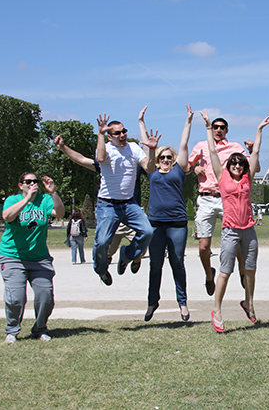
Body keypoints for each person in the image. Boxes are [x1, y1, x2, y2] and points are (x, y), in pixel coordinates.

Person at [205, 110, 269, 332]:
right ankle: (218, 310)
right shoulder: (221, 176)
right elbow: (213, 152)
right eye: (233, 162)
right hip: (230, 231)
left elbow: (255, 155)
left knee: (250, 270)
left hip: (249, 230)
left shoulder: (247, 178)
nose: (236, 164)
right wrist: (208, 128)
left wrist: (259, 130)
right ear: (228, 165)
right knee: (225, 271)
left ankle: (249, 302)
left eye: (239, 162)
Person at [188, 117, 256, 295]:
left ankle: (242, 269)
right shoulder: (201, 145)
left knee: (238, 237)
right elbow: (186, 165)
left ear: (227, 130)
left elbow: (250, 167)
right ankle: (209, 274)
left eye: (222, 127)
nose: (218, 130)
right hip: (206, 197)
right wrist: (194, 167)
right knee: (203, 245)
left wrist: (252, 150)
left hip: (229, 198)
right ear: (211, 129)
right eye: (215, 127)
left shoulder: (235, 147)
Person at [54, 135, 142, 270]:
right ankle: (104, 265)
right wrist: (63, 147)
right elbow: (82, 160)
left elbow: (154, 167)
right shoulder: (107, 165)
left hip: (130, 212)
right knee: (105, 248)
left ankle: (133, 259)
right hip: (112, 213)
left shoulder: (135, 165)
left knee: (143, 246)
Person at [139, 105, 193, 322]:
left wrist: (188, 120)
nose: (166, 159)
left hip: (177, 224)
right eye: (162, 156)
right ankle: (153, 301)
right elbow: (146, 148)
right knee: (155, 264)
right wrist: (141, 121)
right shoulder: (151, 171)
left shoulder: (179, 170)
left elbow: (183, 144)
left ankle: (182, 302)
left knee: (177, 262)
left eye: (169, 157)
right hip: (156, 224)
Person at [0, 172, 65, 343]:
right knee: (16, 297)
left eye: (35, 181)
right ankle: (12, 330)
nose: (32, 184)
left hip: (39, 258)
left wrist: (53, 192)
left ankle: (40, 328)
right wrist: (27, 199)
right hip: (12, 256)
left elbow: (60, 213)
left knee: (45, 296)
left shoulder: (44, 200)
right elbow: (7, 216)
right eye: (28, 182)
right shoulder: (13, 200)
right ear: (21, 185)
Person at [93, 113, 160, 286]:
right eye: (117, 133)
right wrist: (100, 135)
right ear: (109, 136)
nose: (122, 135)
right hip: (107, 204)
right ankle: (101, 269)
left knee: (148, 232)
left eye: (124, 131)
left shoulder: (133, 147)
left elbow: (150, 168)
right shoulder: (106, 147)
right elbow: (100, 159)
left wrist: (152, 150)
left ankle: (127, 255)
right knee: (102, 242)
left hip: (129, 203)